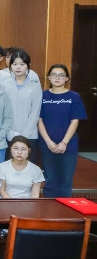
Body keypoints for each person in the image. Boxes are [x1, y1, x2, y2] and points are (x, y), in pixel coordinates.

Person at [38, 64, 87, 198]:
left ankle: (64, 209)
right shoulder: (42, 96)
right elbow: (39, 120)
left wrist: (64, 143)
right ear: (49, 77)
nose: (57, 78)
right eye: (54, 75)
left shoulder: (74, 96)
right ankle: (50, 209)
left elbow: (75, 121)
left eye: (61, 75)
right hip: (46, 145)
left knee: (65, 181)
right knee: (50, 180)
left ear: (67, 78)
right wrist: (48, 142)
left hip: (68, 145)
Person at [2, 48, 42, 161]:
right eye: (15, 64)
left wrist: (24, 135)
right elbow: (3, 111)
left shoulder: (35, 85)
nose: (18, 67)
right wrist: (10, 133)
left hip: (30, 136)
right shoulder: (4, 85)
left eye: (22, 64)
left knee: (28, 168)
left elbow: (35, 112)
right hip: (9, 135)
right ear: (10, 66)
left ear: (28, 65)